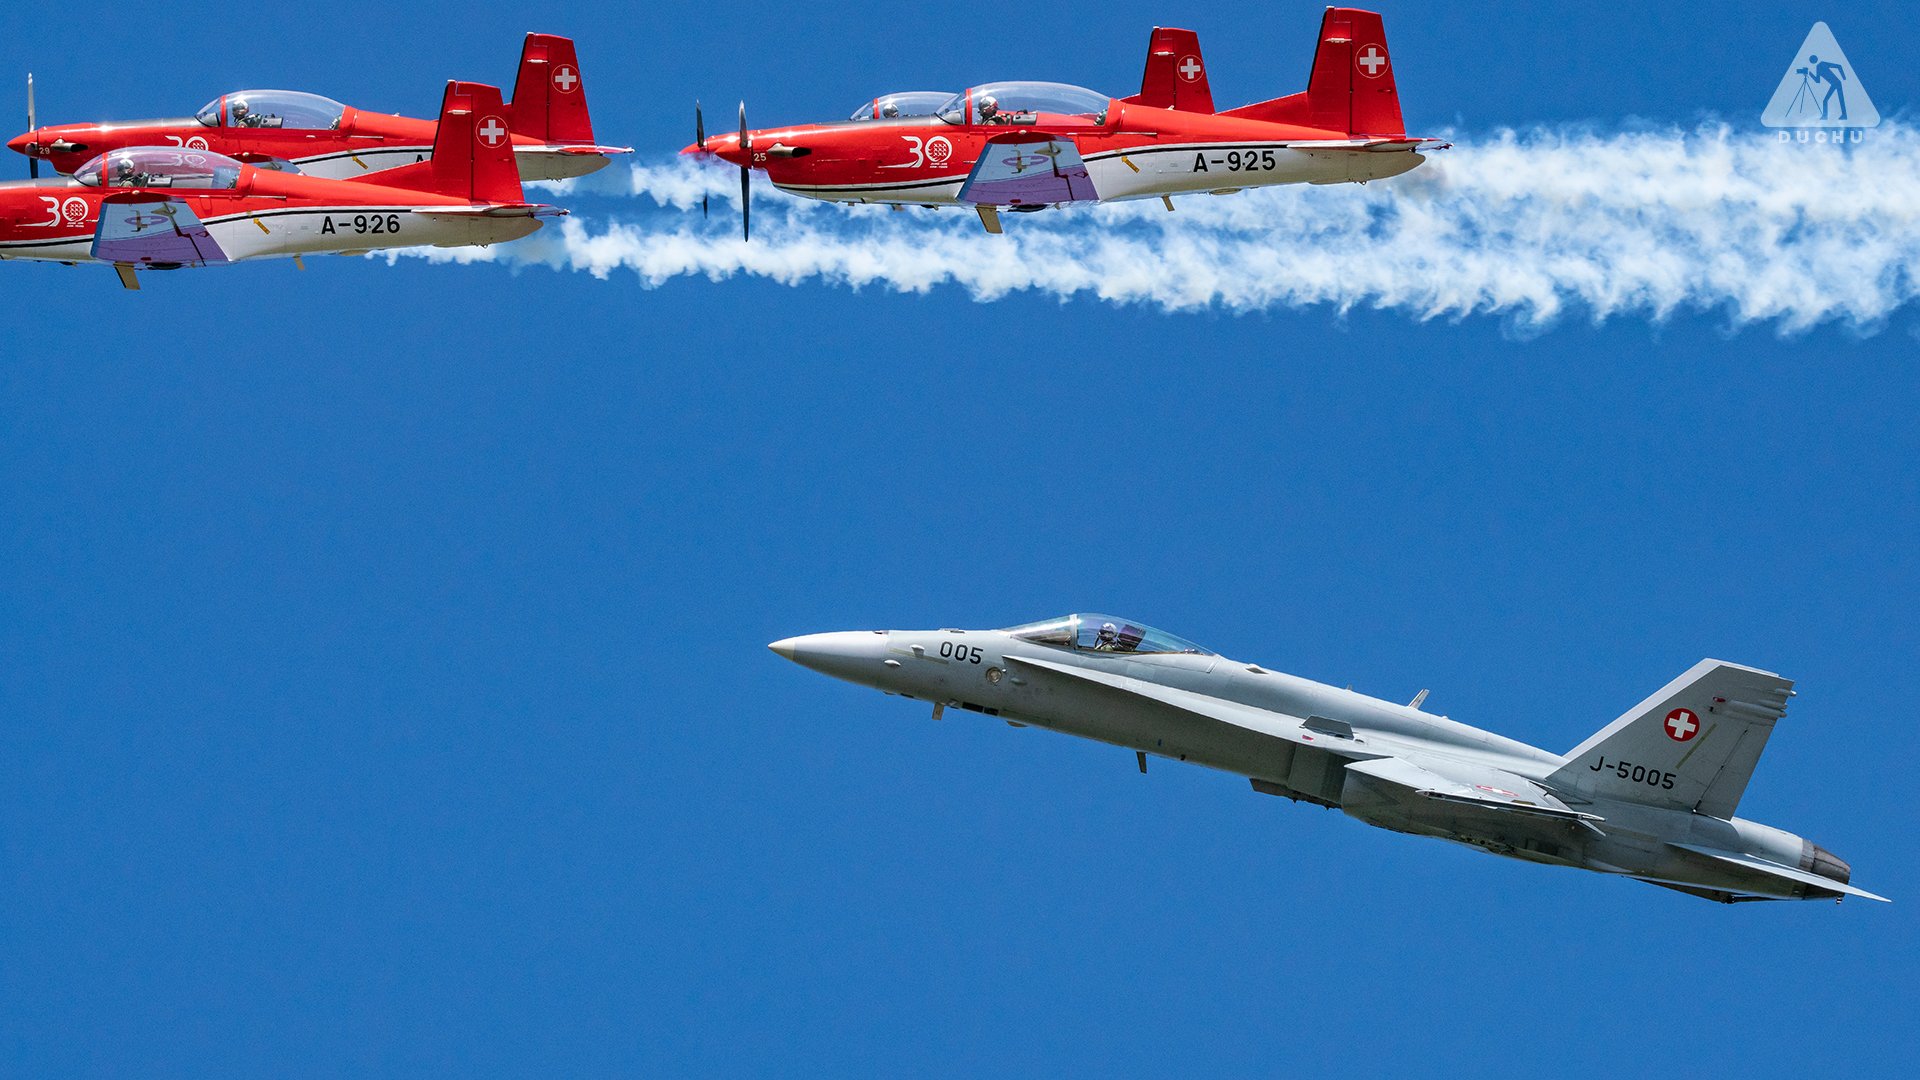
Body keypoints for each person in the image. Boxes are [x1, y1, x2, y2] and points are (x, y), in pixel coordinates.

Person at [1805, 54, 1848, 121]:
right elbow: (1817, 81)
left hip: (1837, 83)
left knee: (1838, 99)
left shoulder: (1822, 64)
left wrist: (1844, 77)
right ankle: (1827, 116)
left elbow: (1839, 66)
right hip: (1834, 84)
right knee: (1828, 100)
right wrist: (1810, 73)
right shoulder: (1818, 67)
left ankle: (1827, 116)